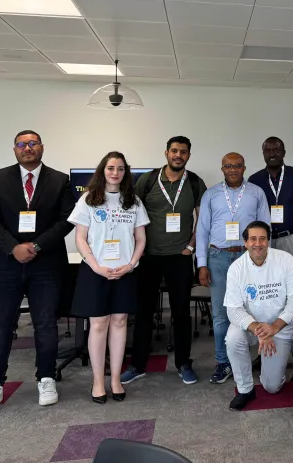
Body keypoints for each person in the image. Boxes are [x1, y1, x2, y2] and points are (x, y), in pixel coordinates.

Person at [0, 130, 75, 412]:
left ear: (42, 147)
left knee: (45, 324)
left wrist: (35, 245)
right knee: (0, 326)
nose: (28, 148)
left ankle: (46, 377)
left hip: (45, 264)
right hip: (4, 264)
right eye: (22, 144)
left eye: (33, 143)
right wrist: (14, 248)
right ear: (14, 149)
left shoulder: (60, 180)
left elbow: (66, 219)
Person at [123, 136, 208, 386]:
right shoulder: (147, 181)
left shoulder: (194, 182)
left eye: (183, 152)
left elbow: (202, 221)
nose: (178, 155)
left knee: (181, 313)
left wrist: (191, 247)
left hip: (179, 258)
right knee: (144, 313)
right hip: (148, 257)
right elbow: (132, 216)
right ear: (166, 153)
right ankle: (138, 364)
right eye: (174, 151)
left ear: (188, 156)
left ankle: (183, 363)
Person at [68, 152, 148, 404]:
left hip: (124, 271)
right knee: (99, 324)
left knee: (120, 321)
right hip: (95, 272)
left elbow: (141, 239)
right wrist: (95, 266)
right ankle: (98, 381)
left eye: (121, 169)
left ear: (126, 173)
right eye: (111, 168)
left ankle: (115, 379)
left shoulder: (133, 201)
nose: (115, 172)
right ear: (103, 170)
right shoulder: (88, 200)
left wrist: (131, 265)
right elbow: (79, 238)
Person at [197, 152, 270, 384]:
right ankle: (222, 362)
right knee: (220, 314)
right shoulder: (211, 194)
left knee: (254, 308)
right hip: (218, 256)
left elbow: (265, 227)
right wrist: (202, 264)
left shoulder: (256, 193)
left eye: (237, 166)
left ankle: (254, 357)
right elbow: (202, 231)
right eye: (228, 166)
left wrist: (265, 259)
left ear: (244, 167)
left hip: (249, 256)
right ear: (222, 169)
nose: (233, 170)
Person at [224, 221, 293, 410]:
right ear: (245, 242)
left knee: (272, 387)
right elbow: (233, 310)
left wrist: (274, 328)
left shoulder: (286, 260)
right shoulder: (236, 268)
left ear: (268, 241)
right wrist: (260, 331)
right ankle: (245, 389)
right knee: (233, 339)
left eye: (262, 239)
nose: (257, 244)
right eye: (253, 239)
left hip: (279, 327)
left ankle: (271, 368)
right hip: (252, 327)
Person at [248, 136, 293, 256]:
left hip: (290, 238)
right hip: (263, 240)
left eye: (276, 150)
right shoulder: (254, 180)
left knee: (290, 272)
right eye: (268, 150)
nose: (272, 154)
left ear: (284, 153)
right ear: (263, 154)